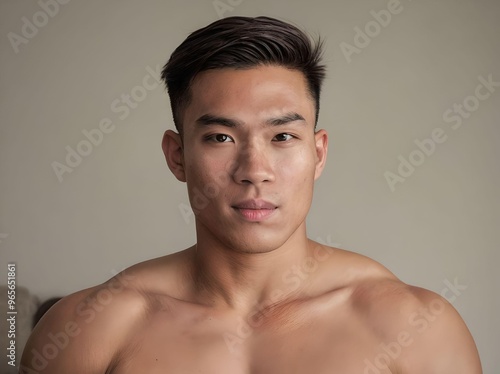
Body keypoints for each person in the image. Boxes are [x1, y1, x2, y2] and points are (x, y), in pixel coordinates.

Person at [21, 16, 482, 373]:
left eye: (282, 137)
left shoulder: (417, 328)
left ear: (318, 154)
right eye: (221, 137)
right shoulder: (88, 329)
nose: (254, 171)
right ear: (177, 156)